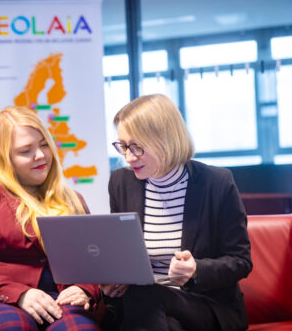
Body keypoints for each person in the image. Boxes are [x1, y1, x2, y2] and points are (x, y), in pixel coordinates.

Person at [0, 106, 101, 331]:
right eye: (26, 151)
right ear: (4, 158)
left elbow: (92, 259)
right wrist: (18, 293)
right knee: (14, 325)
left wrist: (85, 289)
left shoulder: (72, 199)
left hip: (57, 303)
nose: (41, 156)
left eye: (44, 144)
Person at [100, 94, 252, 331]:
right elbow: (121, 252)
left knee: (148, 295)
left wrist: (196, 270)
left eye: (137, 147)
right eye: (123, 146)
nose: (128, 157)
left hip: (204, 304)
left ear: (165, 139)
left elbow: (240, 261)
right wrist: (113, 279)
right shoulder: (121, 183)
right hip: (145, 309)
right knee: (158, 314)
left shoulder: (217, 183)